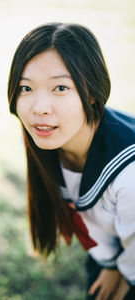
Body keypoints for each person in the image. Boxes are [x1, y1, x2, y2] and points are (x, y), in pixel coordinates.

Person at [7, 22, 135, 300]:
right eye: (25, 88)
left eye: (60, 87)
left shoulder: (130, 172)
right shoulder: (45, 136)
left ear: (92, 93)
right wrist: (110, 264)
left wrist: (124, 272)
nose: (39, 108)